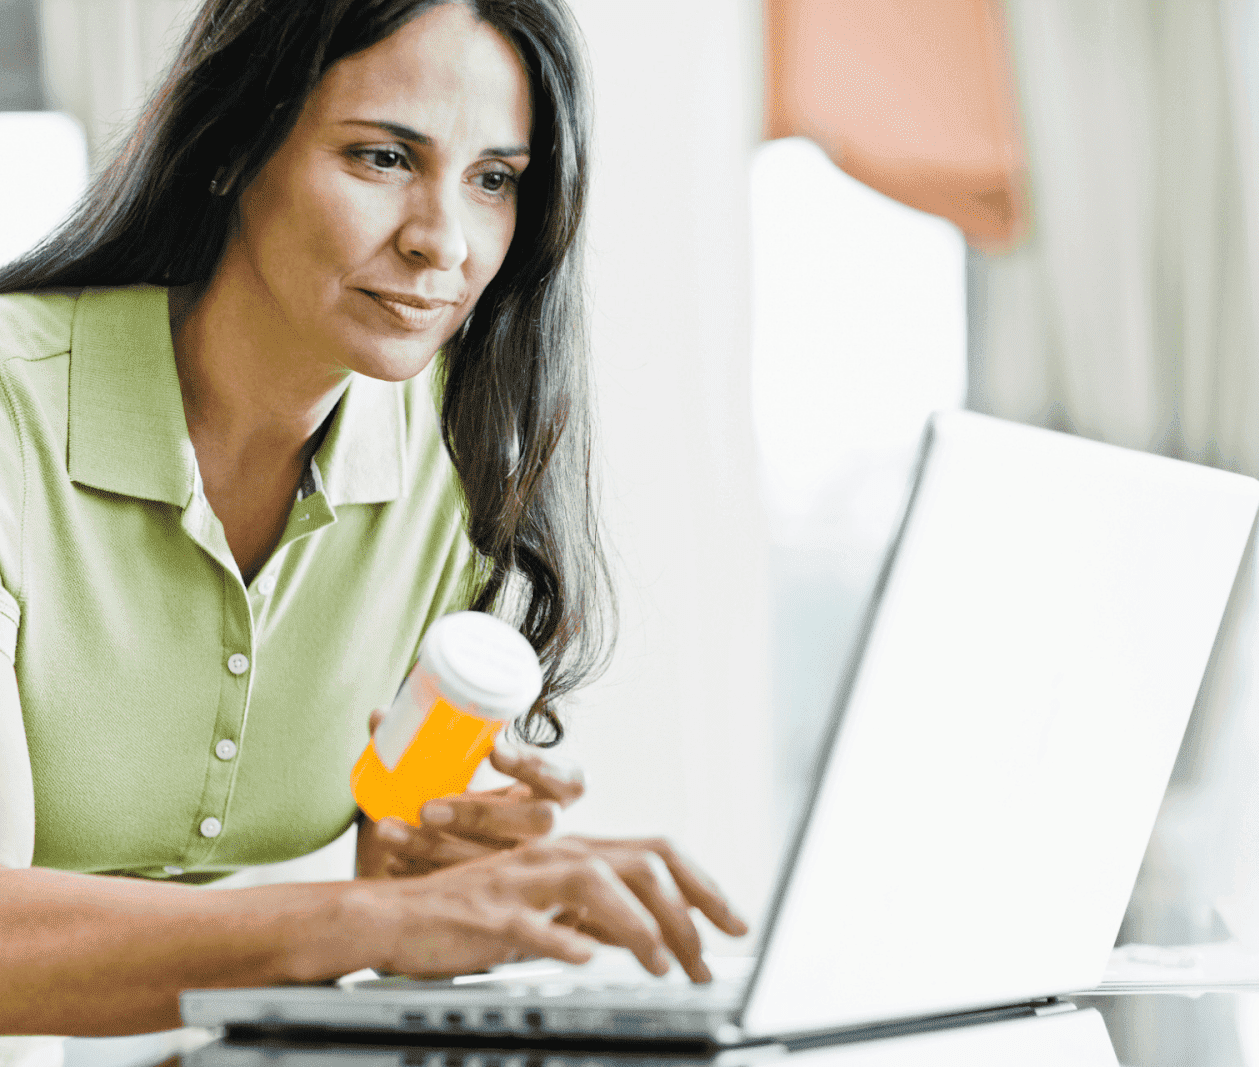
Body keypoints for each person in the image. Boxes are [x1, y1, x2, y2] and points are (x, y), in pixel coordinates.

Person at [0, 0, 745, 1037]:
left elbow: (398, 888)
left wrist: (422, 870)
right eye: (384, 158)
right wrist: (375, 919)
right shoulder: (13, 412)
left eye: (494, 179)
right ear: (230, 147)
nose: (443, 241)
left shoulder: (452, 468)